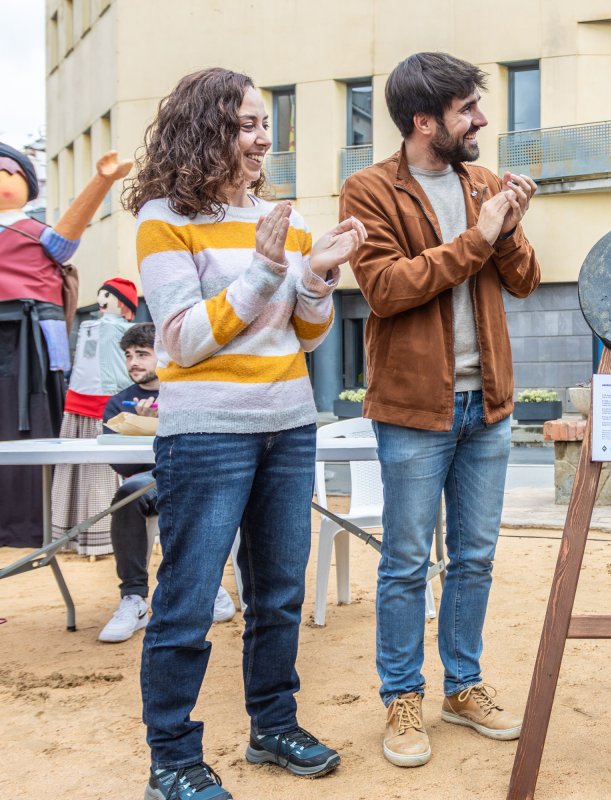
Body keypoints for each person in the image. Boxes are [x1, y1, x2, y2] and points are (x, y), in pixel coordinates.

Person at [126, 67, 365, 799]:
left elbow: (309, 335)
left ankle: (272, 725)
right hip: (206, 436)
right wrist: (265, 271)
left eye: (264, 124)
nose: (262, 137)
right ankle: (171, 758)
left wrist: (318, 277)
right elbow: (181, 339)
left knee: (281, 594)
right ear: (205, 130)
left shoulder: (283, 218)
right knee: (189, 600)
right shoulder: (163, 216)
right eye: (246, 124)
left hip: (288, 427)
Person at [339, 51, 539, 769]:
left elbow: (523, 282)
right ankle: (402, 696)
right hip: (413, 408)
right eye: (466, 110)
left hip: (485, 404)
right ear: (424, 121)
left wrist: (508, 224)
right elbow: (389, 288)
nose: (481, 120)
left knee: (476, 558)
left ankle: (463, 684)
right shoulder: (368, 191)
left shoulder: (482, 182)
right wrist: (479, 235)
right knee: (404, 562)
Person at [0, 143, 129, 548]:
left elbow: (66, 238)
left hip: (32, 342)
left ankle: (39, 522)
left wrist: (102, 179)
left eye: (7, 171)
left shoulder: (36, 233)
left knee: (36, 426)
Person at [96, 322, 236, 643]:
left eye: (142, 354)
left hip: (191, 475)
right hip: (146, 481)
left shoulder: (187, 393)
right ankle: (134, 599)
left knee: (190, 486)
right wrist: (141, 427)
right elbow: (119, 463)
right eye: (129, 355)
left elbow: (208, 445)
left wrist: (163, 422)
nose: (133, 362)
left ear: (162, 354)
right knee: (128, 493)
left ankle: (206, 584)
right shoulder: (119, 404)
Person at [50, 277, 137, 553]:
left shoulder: (123, 332)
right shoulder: (91, 326)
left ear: (122, 304)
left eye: (108, 296)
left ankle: (104, 535)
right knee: (82, 469)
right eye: (101, 294)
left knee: (104, 470)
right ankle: (75, 533)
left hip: (107, 403)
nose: (102, 300)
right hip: (80, 400)